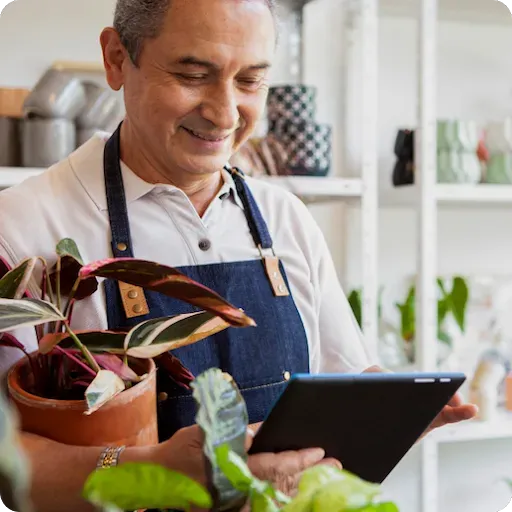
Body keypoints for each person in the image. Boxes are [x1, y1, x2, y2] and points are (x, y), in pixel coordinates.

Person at [0, 0, 477, 510]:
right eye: (192, 74)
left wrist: (384, 413)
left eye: (250, 81)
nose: (225, 113)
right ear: (117, 58)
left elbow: (347, 377)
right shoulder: (23, 227)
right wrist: (157, 469)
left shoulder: (287, 219)